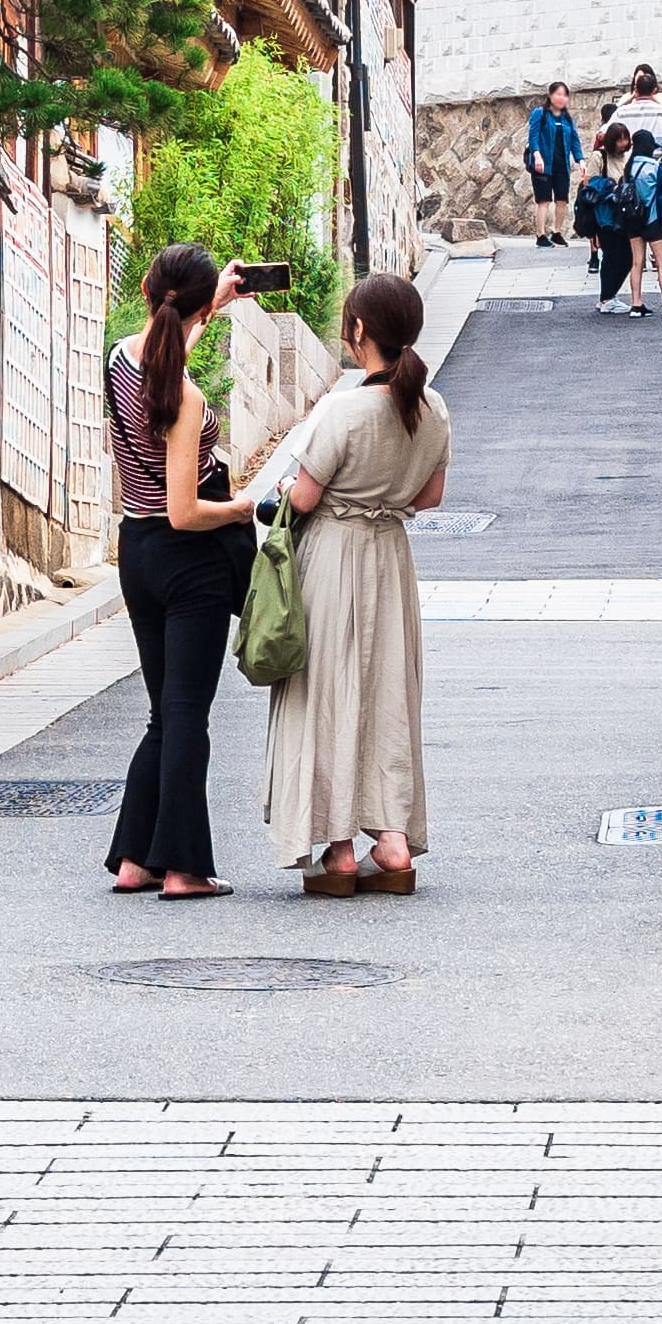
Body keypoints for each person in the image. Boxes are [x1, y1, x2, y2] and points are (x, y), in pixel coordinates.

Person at [268, 271, 450, 895]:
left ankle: (340, 850)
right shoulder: (433, 407)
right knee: (387, 695)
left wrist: (286, 489)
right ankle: (393, 842)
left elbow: (306, 494)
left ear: (359, 331)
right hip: (391, 560)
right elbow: (429, 495)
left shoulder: (342, 409)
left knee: (327, 692)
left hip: (333, 558)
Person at [103, 245, 250, 899]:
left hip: (136, 552)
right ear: (193, 310)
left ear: (144, 289)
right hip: (188, 561)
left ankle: (137, 858)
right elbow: (187, 512)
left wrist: (208, 302)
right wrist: (243, 506)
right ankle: (186, 869)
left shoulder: (119, 362)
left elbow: (165, 345)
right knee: (187, 713)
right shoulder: (184, 397)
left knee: (164, 712)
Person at [573, 127, 643, 314]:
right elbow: (589, 184)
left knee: (628, 256)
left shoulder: (628, 158)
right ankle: (607, 298)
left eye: (625, 140)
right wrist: (610, 187)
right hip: (605, 214)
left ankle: (609, 296)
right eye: (619, 140)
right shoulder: (599, 157)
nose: (623, 144)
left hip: (623, 214)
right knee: (612, 256)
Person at [627, 120, 662, 318]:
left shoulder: (629, 168)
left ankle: (636, 304)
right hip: (652, 220)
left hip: (633, 220)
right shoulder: (654, 166)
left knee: (637, 263)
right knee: (661, 262)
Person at [521, 82, 581, 246]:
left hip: (562, 165)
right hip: (543, 164)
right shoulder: (539, 113)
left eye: (565, 95)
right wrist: (537, 155)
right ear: (550, 95)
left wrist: (580, 160)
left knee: (562, 199)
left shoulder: (567, 118)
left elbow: (575, 141)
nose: (562, 98)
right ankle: (540, 235)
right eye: (558, 94)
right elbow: (533, 137)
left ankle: (557, 232)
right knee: (544, 200)